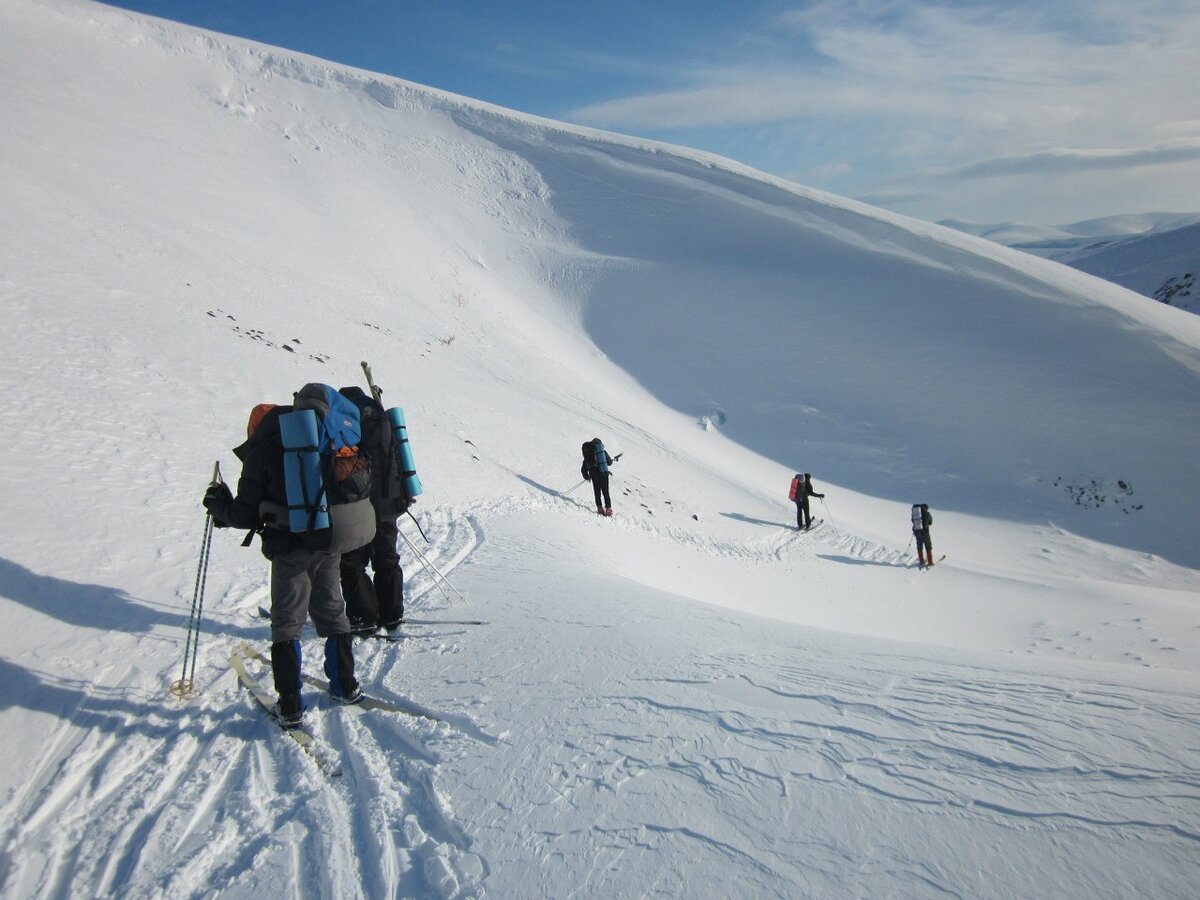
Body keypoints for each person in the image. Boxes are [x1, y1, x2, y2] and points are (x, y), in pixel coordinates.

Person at [203, 397, 365, 729]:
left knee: (287, 622)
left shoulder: (263, 451)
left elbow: (245, 512)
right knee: (333, 611)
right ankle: (345, 685)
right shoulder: (319, 439)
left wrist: (219, 507)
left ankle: (290, 703)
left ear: (256, 427)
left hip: (289, 547)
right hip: (326, 539)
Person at [337, 385, 412, 637]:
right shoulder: (381, 417)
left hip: (358, 504)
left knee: (352, 561)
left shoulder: (345, 421)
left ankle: (364, 616)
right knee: (387, 557)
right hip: (389, 501)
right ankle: (392, 614)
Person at [581, 437, 617, 516]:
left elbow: (584, 468)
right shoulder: (601, 452)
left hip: (594, 476)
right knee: (605, 492)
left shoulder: (587, 454)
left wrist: (587, 476)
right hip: (603, 474)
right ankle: (608, 509)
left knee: (597, 492)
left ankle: (599, 508)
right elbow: (609, 462)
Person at [911, 503, 934, 567]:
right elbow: (931, 522)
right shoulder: (927, 514)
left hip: (917, 532)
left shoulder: (915, 514)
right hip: (925, 533)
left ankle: (921, 561)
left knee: (919, 547)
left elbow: (912, 520)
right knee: (928, 547)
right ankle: (930, 562)